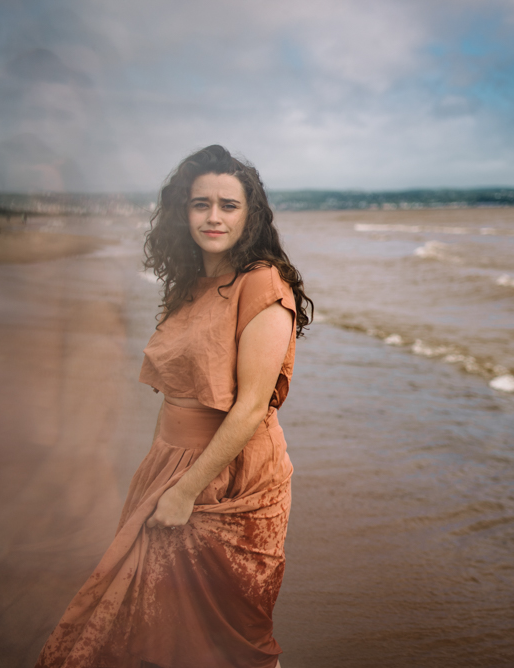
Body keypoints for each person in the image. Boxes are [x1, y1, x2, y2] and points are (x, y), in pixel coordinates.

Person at [35, 145, 312, 668]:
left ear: (249, 214)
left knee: (233, 633)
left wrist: (185, 491)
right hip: (169, 463)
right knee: (141, 619)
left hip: (233, 479)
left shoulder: (263, 286)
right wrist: (165, 474)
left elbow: (251, 408)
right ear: (182, 211)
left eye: (228, 205)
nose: (213, 217)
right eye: (200, 203)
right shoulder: (188, 284)